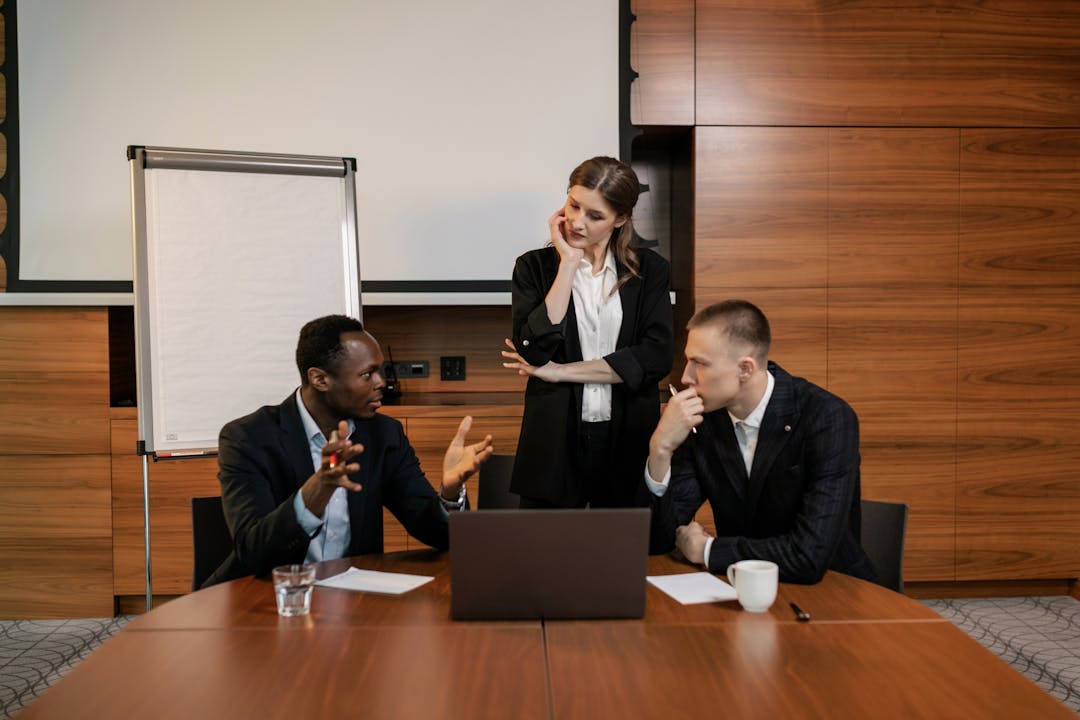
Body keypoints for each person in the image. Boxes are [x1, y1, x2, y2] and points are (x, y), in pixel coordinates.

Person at [205, 315, 494, 587]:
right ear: (320, 379)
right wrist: (315, 493)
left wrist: (449, 493)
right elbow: (254, 554)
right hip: (265, 601)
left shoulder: (383, 435)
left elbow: (437, 534)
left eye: (380, 371)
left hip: (353, 601)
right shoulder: (247, 438)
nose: (382, 382)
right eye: (367, 374)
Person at [647, 300, 875, 584]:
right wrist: (660, 449)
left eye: (700, 364)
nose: (686, 377)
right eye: (688, 360)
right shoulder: (704, 420)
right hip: (738, 590)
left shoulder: (827, 417)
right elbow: (660, 541)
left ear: (745, 369)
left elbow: (808, 556)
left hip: (837, 591)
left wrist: (708, 550)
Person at [502, 156, 673, 508]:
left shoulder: (651, 271)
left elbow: (655, 357)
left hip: (627, 438)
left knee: (622, 556)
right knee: (546, 556)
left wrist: (560, 372)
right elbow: (533, 351)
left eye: (595, 216)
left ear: (621, 219)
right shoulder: (532, 267)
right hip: (555, 443)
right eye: (573, 205)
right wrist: (568, 264)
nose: (578, 222)